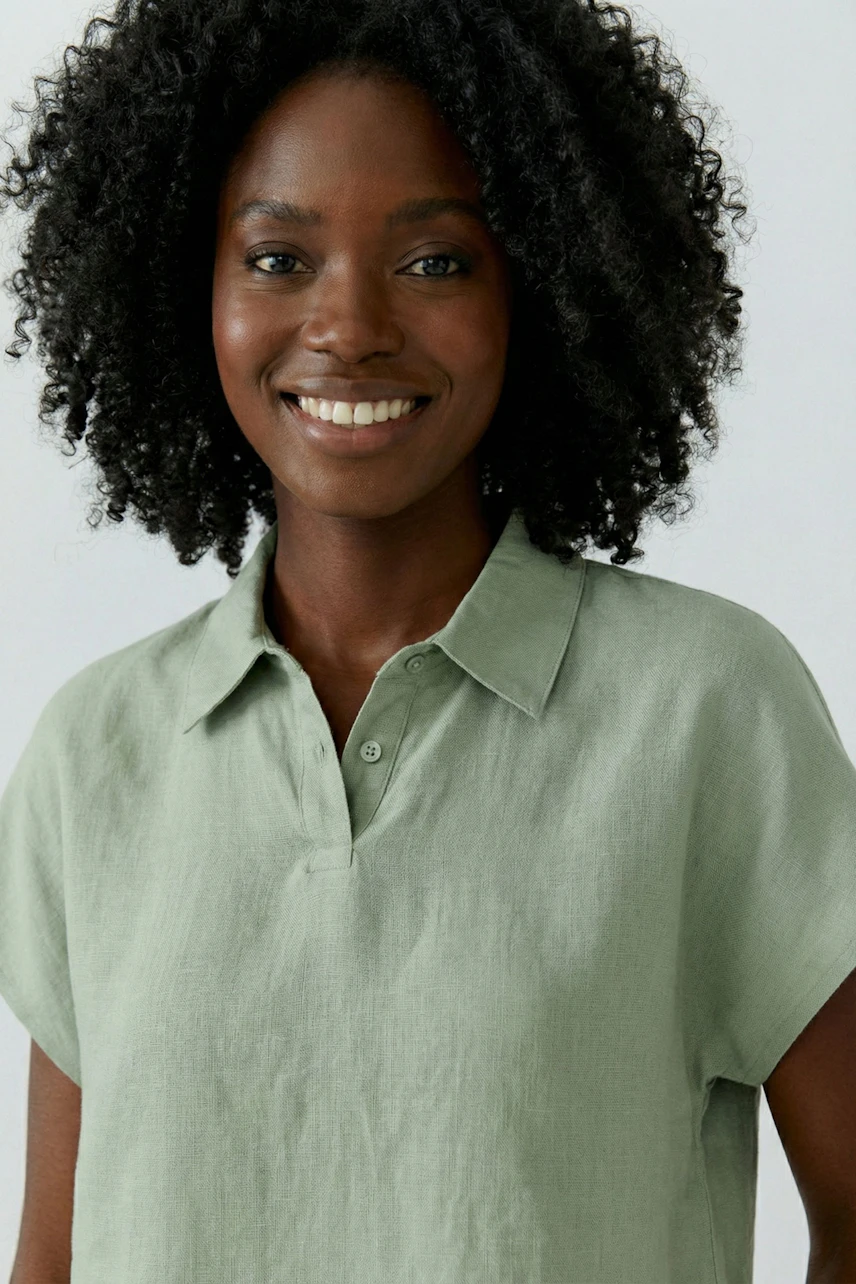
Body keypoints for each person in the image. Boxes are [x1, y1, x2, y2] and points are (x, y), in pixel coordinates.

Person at [1, 1, 855, 1281]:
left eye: (435, 261)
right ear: (190, 287)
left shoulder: (707, 712)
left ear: (545, 282)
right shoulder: (97, 751)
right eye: (278, 258)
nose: (349, 326)